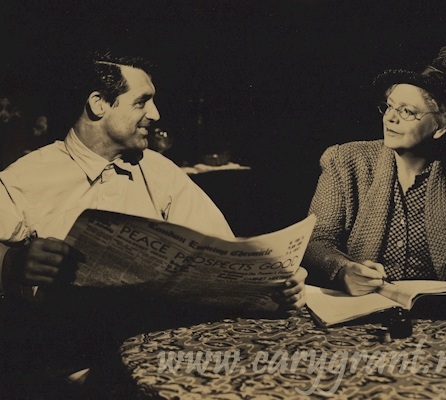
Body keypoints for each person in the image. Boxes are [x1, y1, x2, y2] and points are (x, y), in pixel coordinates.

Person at [0, 51, 307, 397]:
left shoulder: (161, 171)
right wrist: (12, 263)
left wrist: (272, 283)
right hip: (75, 365)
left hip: (167, 354)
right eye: (142, 101)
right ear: (99, 104)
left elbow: (224, 254)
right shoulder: (24, 178)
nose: (156, 114)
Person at [303, 46, 446, 305]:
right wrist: (341, 270)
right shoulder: (345, 161)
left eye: (407, 111)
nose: (390, 119)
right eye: (389, 107)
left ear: (440, 126)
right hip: (359, 308)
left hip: (437, 313)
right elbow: (316, 240)